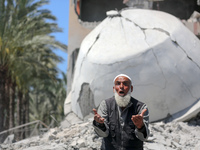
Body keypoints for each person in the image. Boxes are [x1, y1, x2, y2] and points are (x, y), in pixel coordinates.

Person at [93, 74, 149, 150]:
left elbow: (143, 138)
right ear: (114, 88)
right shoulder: (105, 105)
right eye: (118, 84)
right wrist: (100, 124)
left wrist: (140, 126)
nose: (121, 86)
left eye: (125, 84)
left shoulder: (140, 107)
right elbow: (103, 134)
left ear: (131, 88)